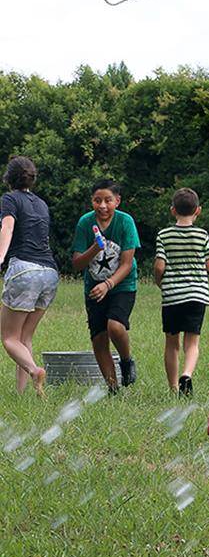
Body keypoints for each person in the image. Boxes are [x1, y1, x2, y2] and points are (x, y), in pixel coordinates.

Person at [70, 179, 140, 391]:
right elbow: (76, 264)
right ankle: (113, 389)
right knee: (99, 339)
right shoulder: (85, 223)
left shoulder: (125, 222)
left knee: (115, 326)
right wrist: (94, 248)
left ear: (117, 201)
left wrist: (108, 285)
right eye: (97, 200)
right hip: (93, 287)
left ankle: (126, 361)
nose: (102, 205)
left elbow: (127, 264)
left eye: (108, 200)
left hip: (121, 285)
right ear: (92, 201)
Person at [0, 156, 57, 395]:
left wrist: (0, 257)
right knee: (24, 337)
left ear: (8, 178)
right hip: (50, 273)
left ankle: (34, 370)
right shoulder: (41, 204)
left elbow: (8, 227)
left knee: (8, 338)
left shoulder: (9, 199)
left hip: (25, 270)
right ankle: (23, 392)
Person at [154, 188, 209, 396]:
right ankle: (187, 374)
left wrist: (159, 281)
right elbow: (208, 266)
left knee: (172, 343)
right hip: (197, 295)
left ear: (173, 210)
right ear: (198, 210)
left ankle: (173, 387)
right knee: (192, 342)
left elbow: (160, 266)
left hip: (172, 296)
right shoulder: (202, 235)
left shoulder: (164, 235)